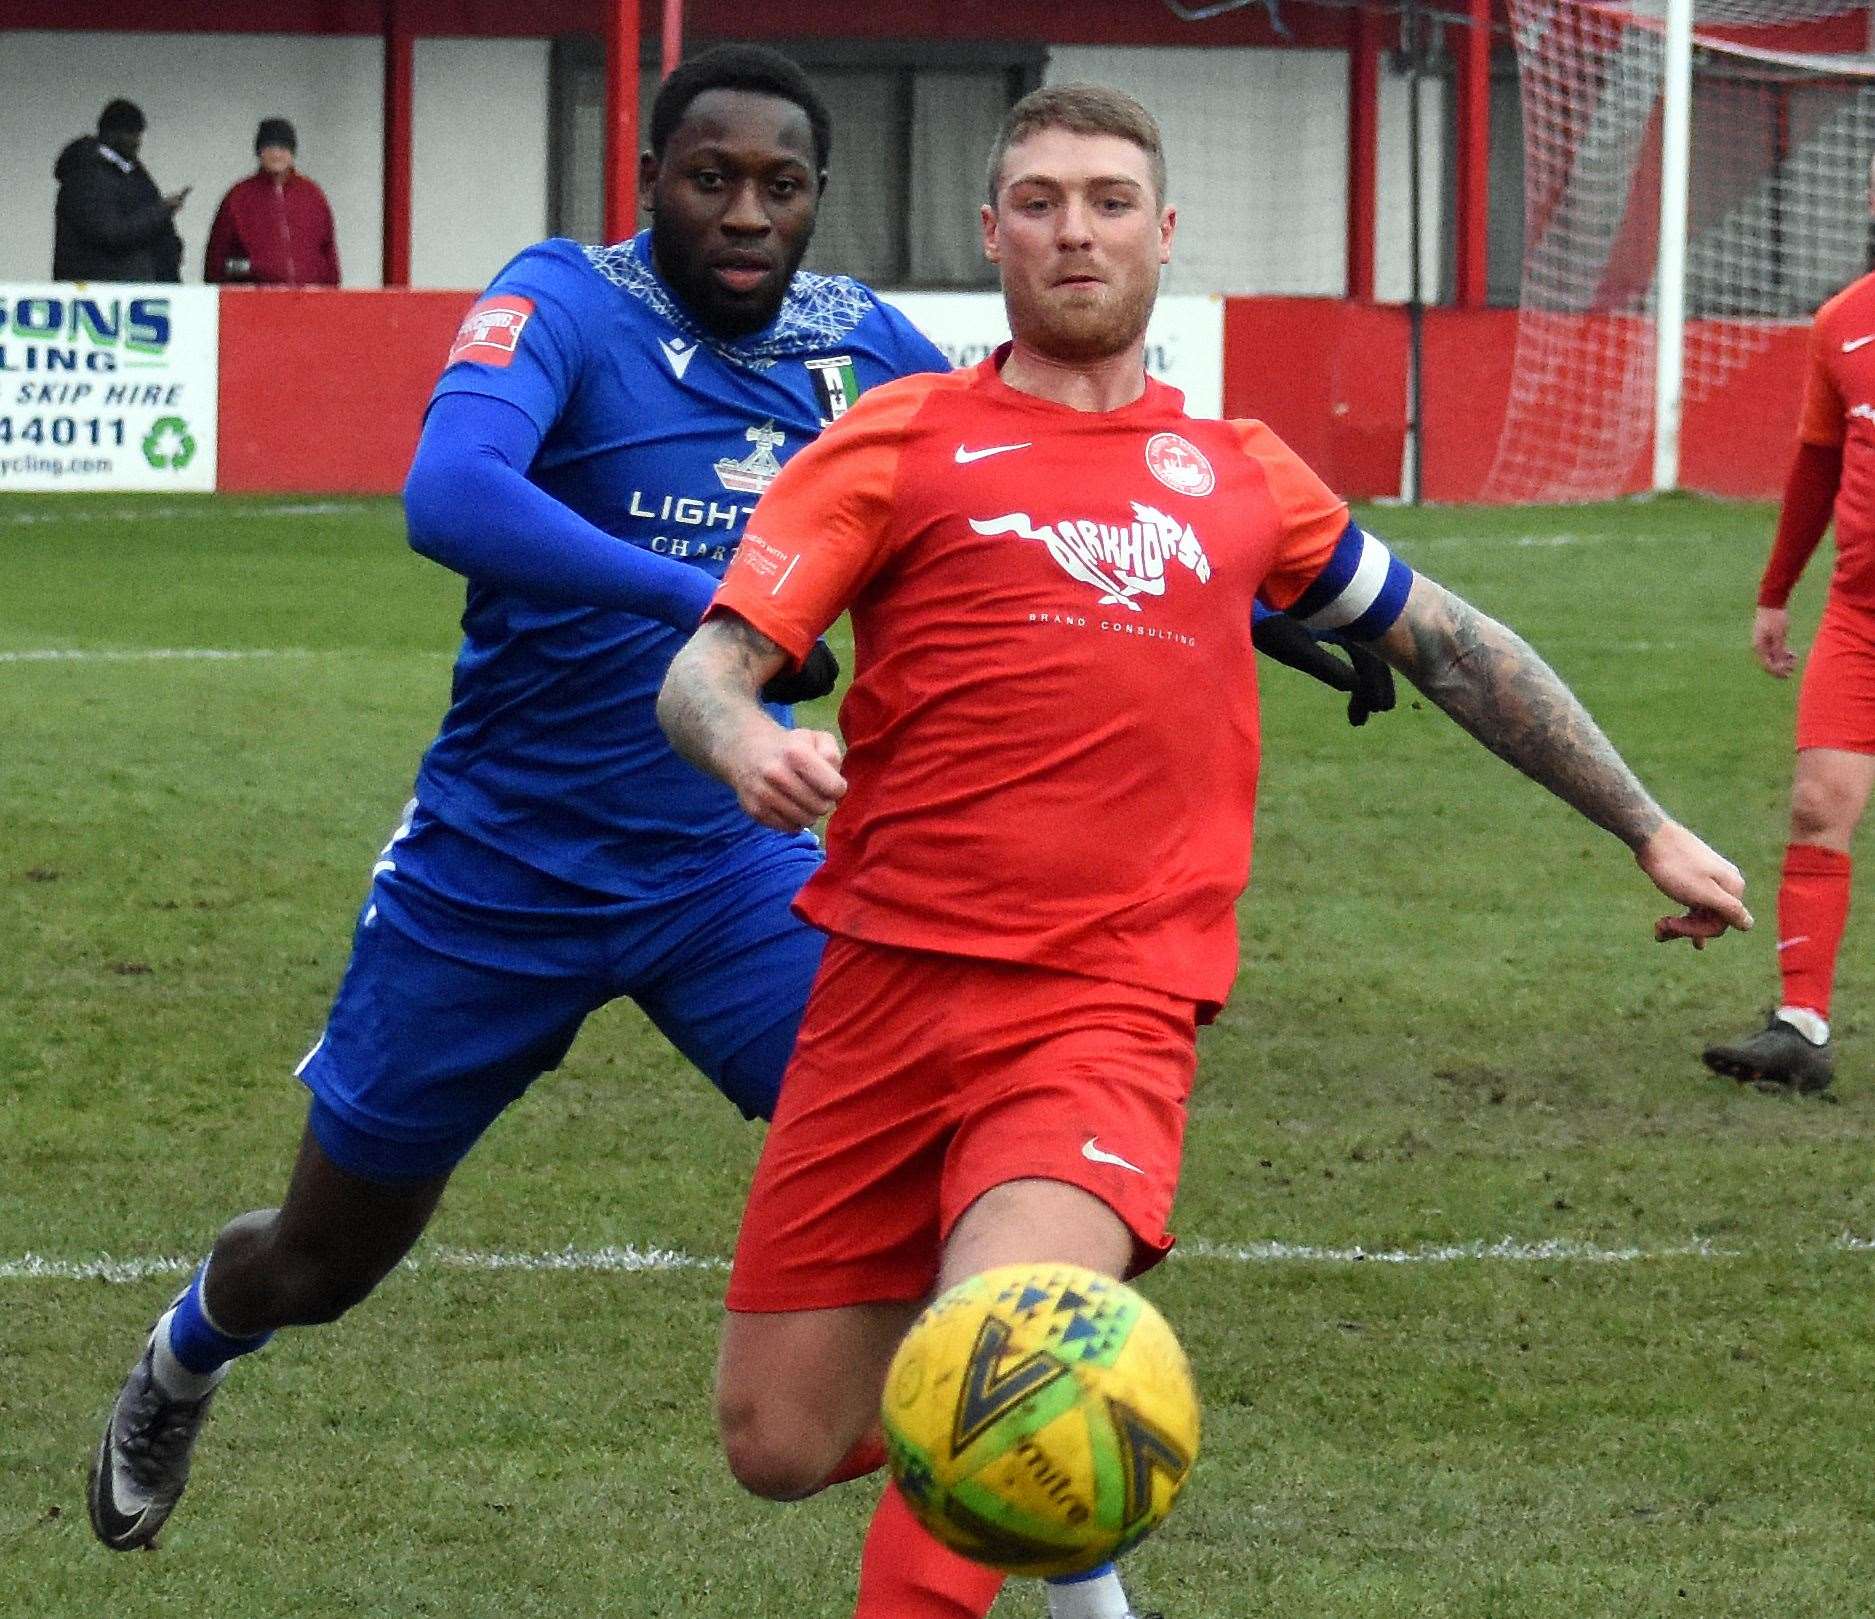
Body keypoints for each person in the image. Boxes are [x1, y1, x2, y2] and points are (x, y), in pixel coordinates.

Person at [657, 82, 1752, 1614]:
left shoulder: (1238, 472)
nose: (1073, 229)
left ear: (1162, 234)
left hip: (1101, 1002)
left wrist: (1644, 822)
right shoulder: (891, 442)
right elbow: (705, 664)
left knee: (1001, 1358)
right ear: (990, 235)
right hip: (880, 992)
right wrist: (745, 738)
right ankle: (1086, 1465)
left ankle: (1043, 1441)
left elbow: (1444, 642)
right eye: (1037, 200)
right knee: (776, 1438)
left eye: (1107, 199)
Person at [1701, 210, 1875, 1094]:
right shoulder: (1841, 322)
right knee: (1816, 806)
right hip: (1859, 617)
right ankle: (1800, 1028)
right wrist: (1775, 591)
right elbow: (1816, 465)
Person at [53, 98, 186, 283]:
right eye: (132, 134)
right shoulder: (85, 176)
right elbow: (111, 233)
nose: (138, 142)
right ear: (112, 133)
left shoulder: (133, 171)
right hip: (103, 293)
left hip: (140, 288)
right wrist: (162, 211)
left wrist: (171, 248)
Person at [203, 118, 341, 286]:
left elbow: (329, 253)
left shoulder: (312, 195)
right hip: (255, 303)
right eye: (269, 147)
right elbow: (216, 261)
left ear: (292, 153)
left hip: (308, 301)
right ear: (259, 152)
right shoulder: (238, 197)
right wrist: (253, 272)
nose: (276, 155)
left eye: (283, 148)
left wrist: (331, 294)